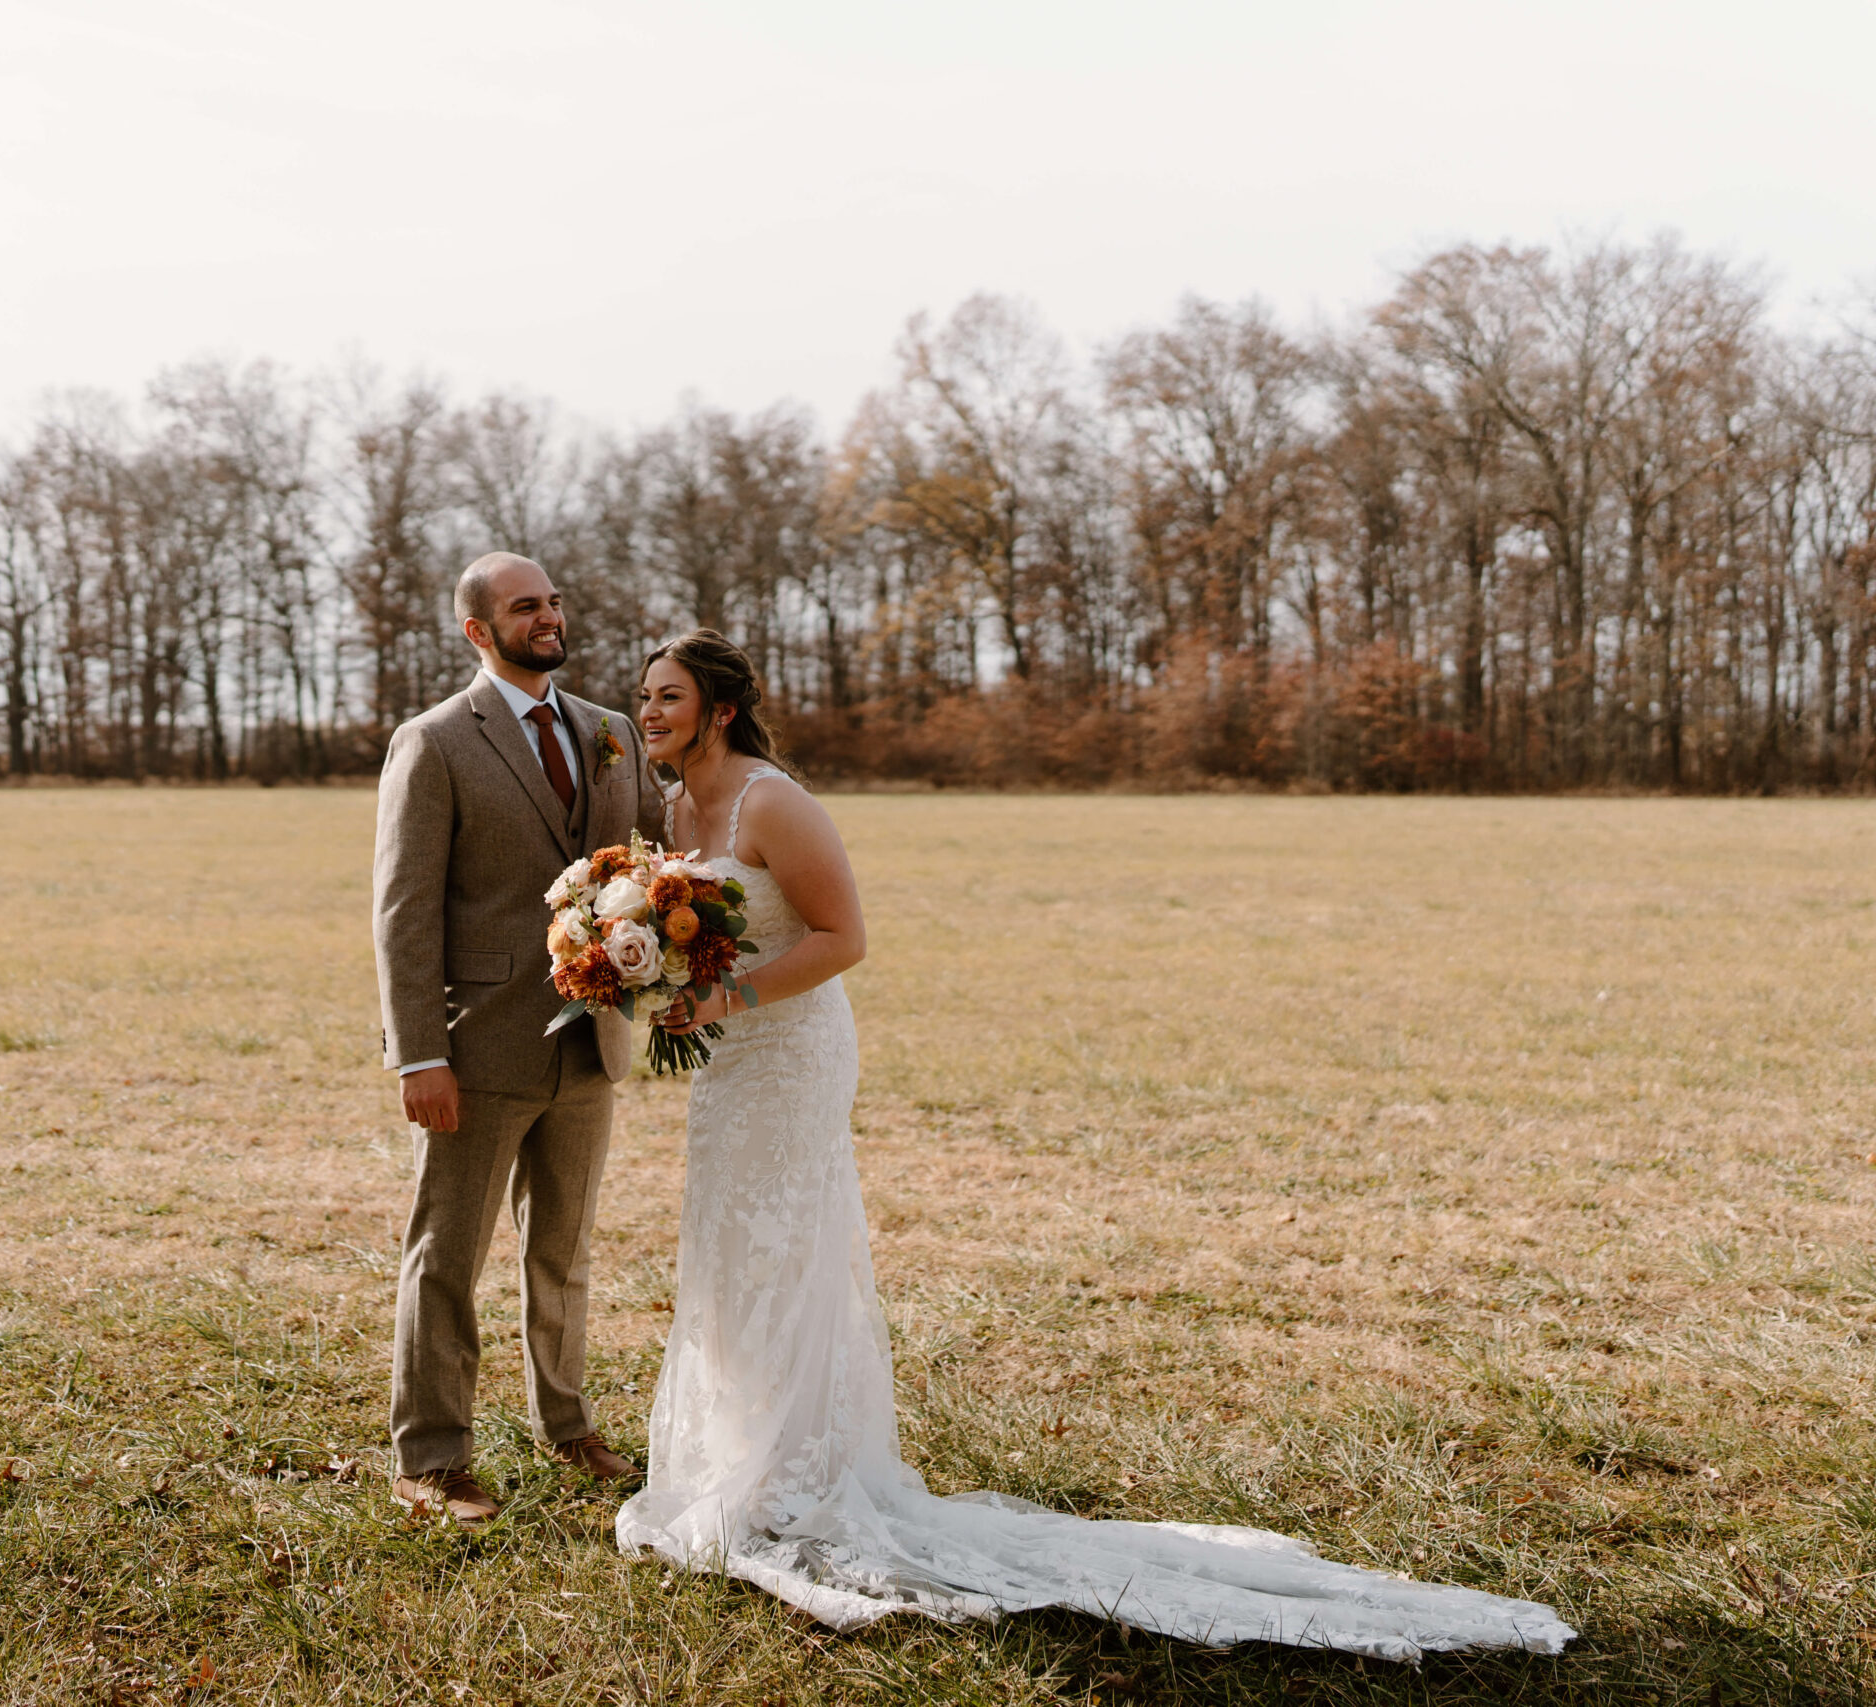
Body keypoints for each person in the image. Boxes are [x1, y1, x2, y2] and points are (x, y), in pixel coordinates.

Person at [613, 628, 1575, 1663]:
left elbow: (844, 937)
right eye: (644, 695)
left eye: (668, 696)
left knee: (789, 1244)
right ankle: (733, 1456)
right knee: (725, 1245)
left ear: (718, 709)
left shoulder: (772, 801)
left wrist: (731, 993)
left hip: (792, 1054)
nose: (649, 710)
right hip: (725, 1066)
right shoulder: (668, 809)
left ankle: (795, 1472)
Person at [372, 551, 665, 1525]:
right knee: (445, 1257)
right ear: (476, 631)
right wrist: (419, 1053)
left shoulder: (612, 735)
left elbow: (655, 868)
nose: (547, 617)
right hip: (478, 1046)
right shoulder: (435, 742)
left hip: (593, 1045)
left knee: (565, 1250)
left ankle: (568, 1423)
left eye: (553, 601)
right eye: (523, 606)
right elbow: (403, 912)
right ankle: (432, 1457)